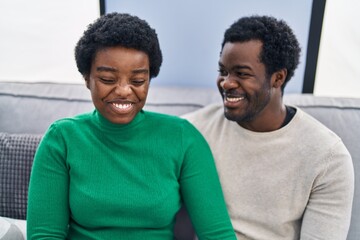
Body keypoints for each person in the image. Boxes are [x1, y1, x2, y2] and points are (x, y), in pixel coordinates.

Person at [27, 12, 236, 240]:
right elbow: (44, 235)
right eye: (108, 79)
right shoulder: (62, 139)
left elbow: (217, 234)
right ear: (87, 78)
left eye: (137, 81)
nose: (124, 91)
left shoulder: (183, 138)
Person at [183, 15, 354, 239]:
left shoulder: (327, 157)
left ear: (278, 78)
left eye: (242, 74)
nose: (226, 83)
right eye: (223, 71)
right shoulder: (193, 131)